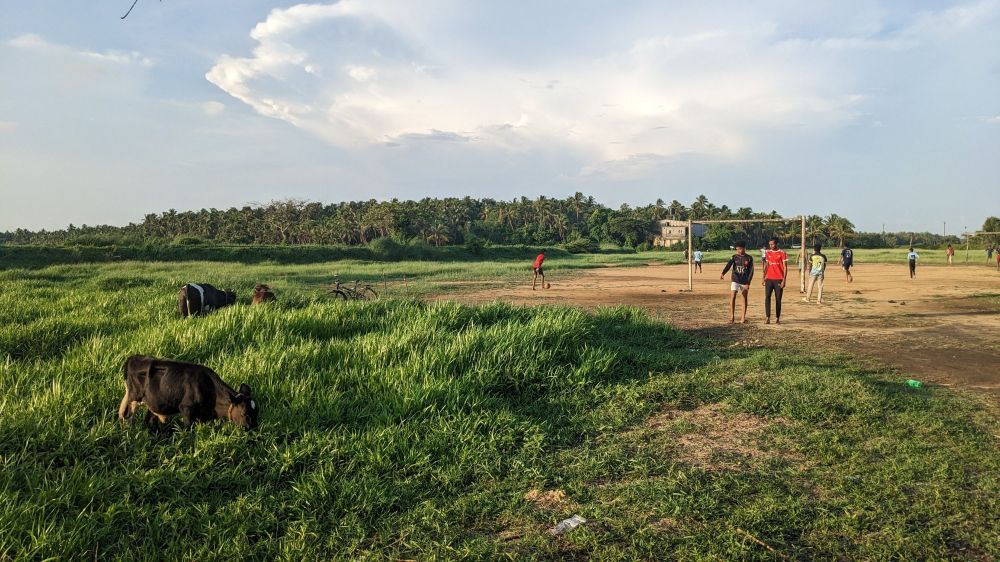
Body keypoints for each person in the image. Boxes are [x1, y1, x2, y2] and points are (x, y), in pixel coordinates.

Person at [721, 241, 754, 323]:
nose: (738, 251)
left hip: (744, 281)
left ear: (744, 248)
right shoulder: (734, 257)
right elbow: (728, 265)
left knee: (744, 298)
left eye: (740, 249)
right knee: (733, 296)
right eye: (737, 249)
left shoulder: (749, 258)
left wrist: (748, 283)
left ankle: (743, 317)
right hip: (735, 279)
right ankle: (732, 317)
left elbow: (751, 271)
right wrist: (723, 273)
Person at [762, 238, 788, 324]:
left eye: (772, 244)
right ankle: (767, 317)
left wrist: (784, 280)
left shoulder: (782, 253)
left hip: (778, 279)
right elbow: (766, 265)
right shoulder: (768, 253)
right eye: (770, 244)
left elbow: (785, 267)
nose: (771, 246)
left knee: (778, 299)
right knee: (767, 297)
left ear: (777, 244)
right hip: (769, 278)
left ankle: (777, 318)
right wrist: (763, 277)